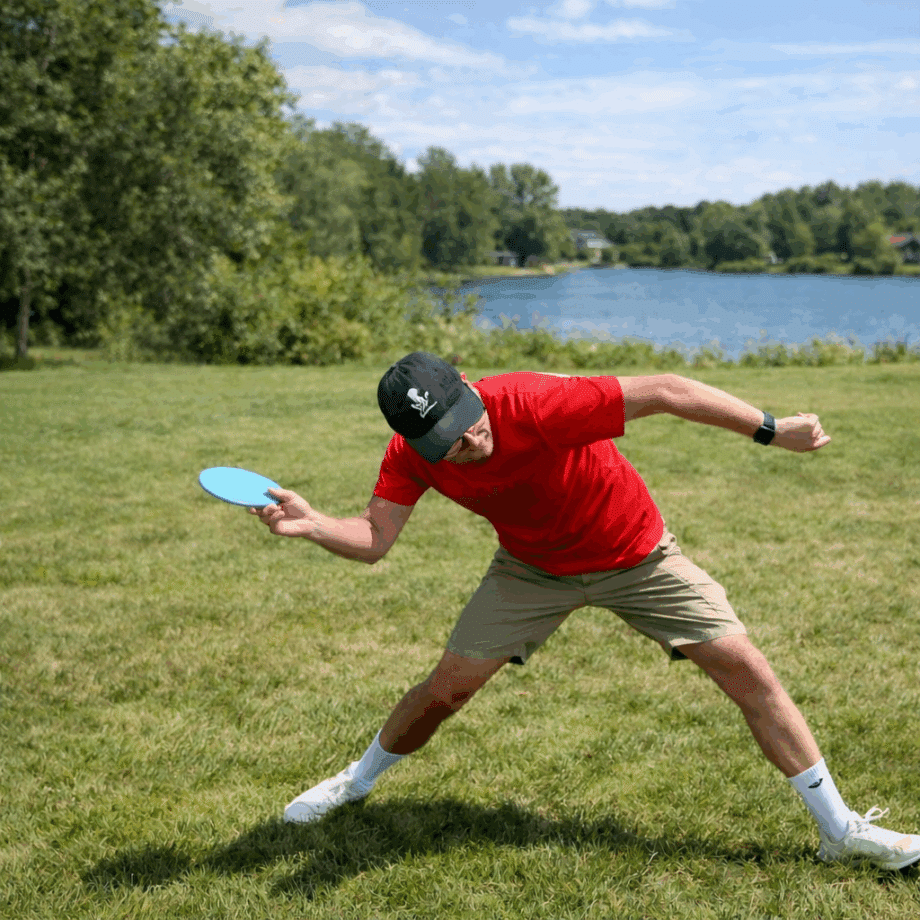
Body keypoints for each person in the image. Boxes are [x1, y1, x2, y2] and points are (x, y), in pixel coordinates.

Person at [251, 351, 920, 870]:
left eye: (466, 419)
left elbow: (666, 389)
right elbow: (374, 541)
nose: (469, 440)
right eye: (447, 441)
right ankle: (356, 782)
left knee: (745, 669)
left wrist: (773, 431)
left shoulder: (535, 402)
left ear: (467, 386)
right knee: (446, 690)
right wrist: (312, 526)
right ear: (415, 442)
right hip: (531, 571)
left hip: (637, 554)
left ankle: (842, 832)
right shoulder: (414, 456)